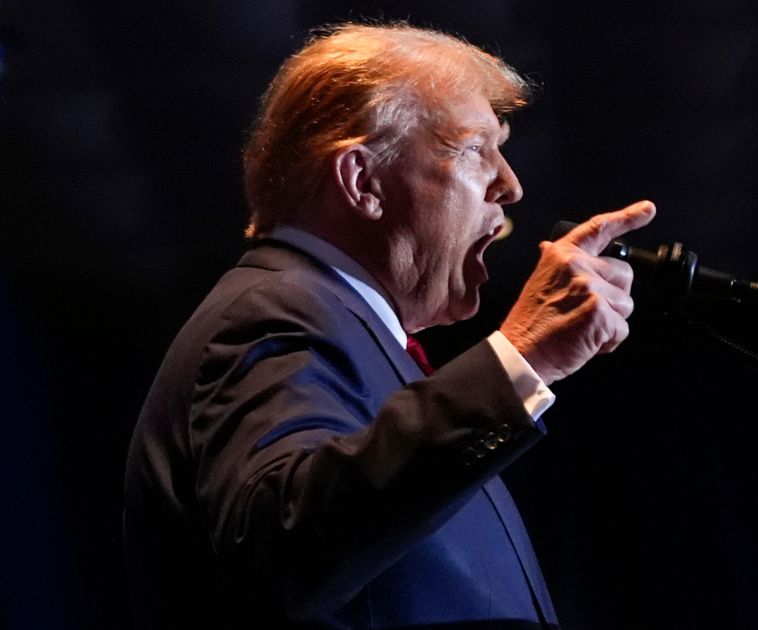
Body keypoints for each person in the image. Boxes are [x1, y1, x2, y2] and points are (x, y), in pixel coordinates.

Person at [123, 22, 655, 629]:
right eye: (475, 147)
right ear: (363, 182)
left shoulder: (346, 329)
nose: (510, 184)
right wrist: (521, 358)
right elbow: (281, 544)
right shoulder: (275, 309)